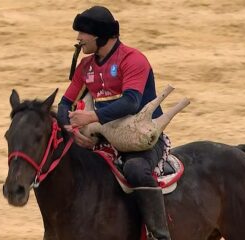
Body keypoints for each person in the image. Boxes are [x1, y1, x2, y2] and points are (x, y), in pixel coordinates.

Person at [57, 6, 171, 240]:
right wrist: (70, 131)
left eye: (83, 32)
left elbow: (131, 102)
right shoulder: (85, 67)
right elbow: (64, 105)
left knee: (136, 170)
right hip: (103, 141)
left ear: (100, 35)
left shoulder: (133, 59)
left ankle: (159, 235)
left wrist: (90, 117)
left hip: (141, 140)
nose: (78, 38)